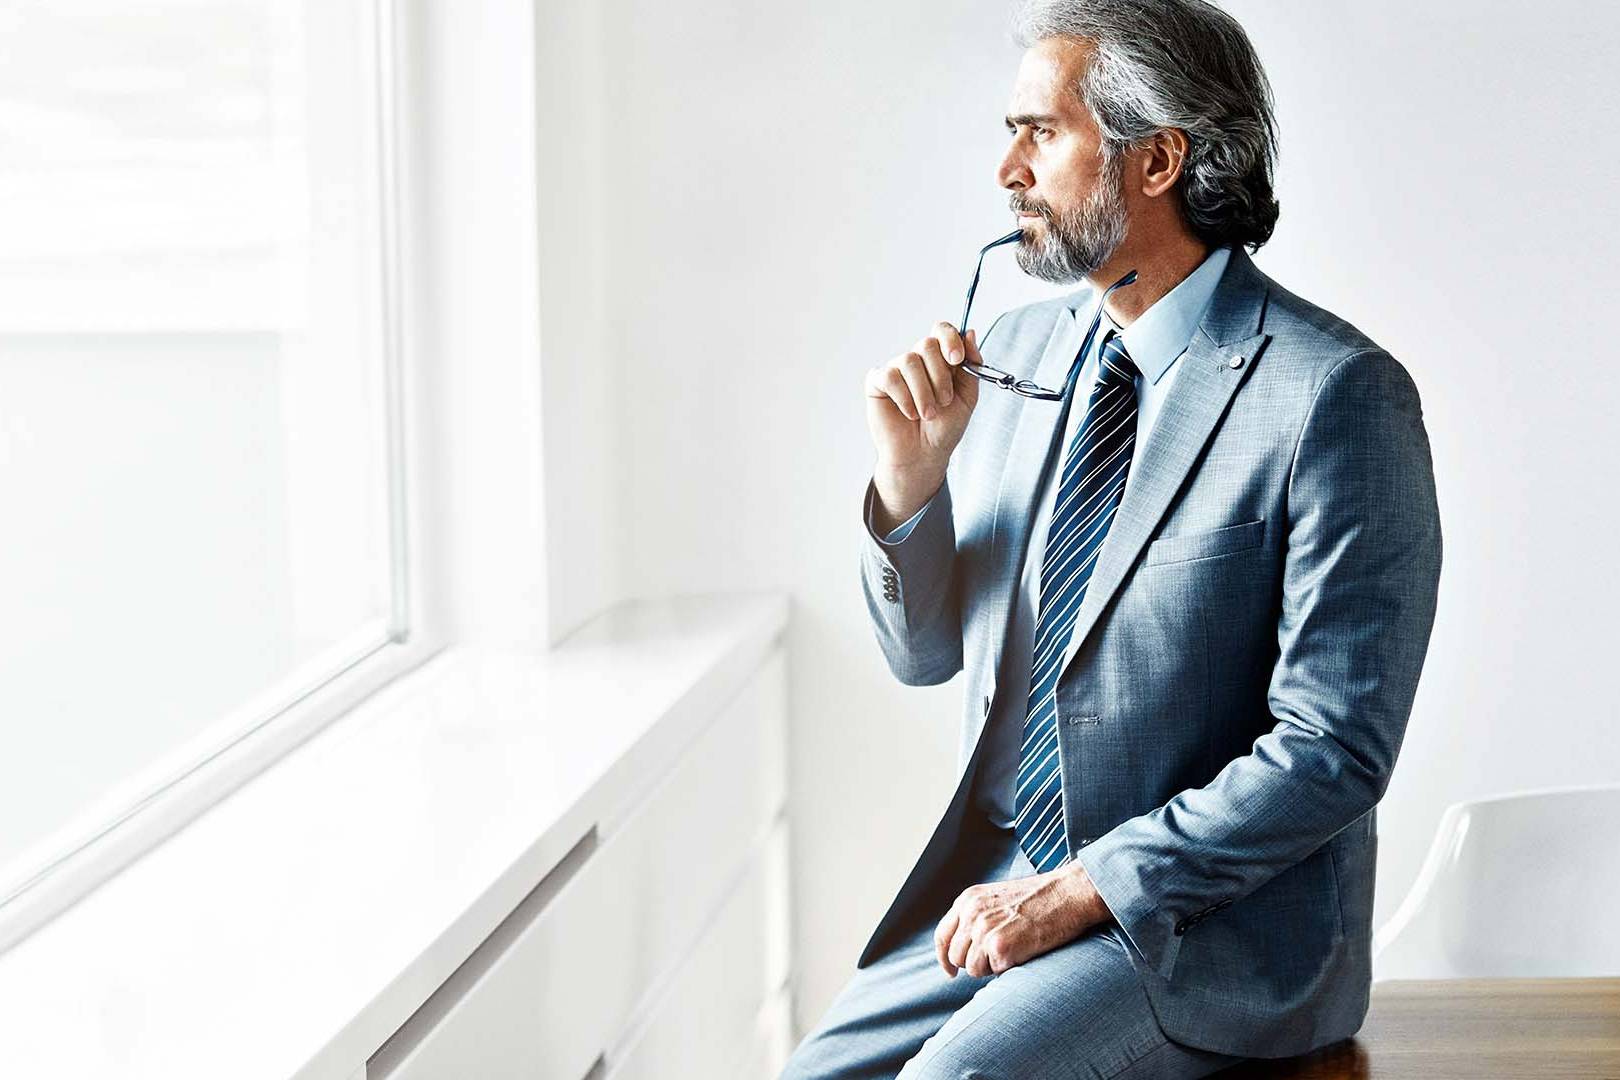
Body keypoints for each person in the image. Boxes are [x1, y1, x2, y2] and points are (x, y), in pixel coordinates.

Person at [781, 1, 1444, 1077]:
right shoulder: (1017, 354)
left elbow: (1335, 747)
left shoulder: (1336, 396)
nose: (1007, 169)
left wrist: (1082, 888)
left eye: (1041, 133)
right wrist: (910, 486)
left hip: (1203, 934)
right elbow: (926, 657)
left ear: (1156, 160)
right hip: (997, 884)